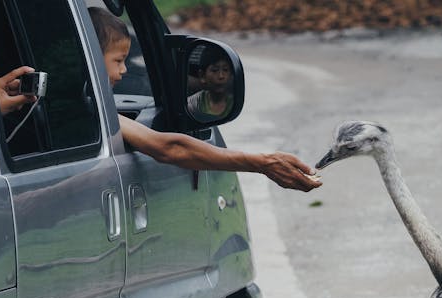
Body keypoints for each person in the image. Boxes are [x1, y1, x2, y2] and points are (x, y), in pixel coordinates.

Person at [88, 7, 320, 192]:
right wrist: (263, 162)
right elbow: (169, 147)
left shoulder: (90, 106)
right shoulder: (91, 110)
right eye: (118, 60)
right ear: (93, 58)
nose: (125, 70)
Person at [187, 45, 234, 121]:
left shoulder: (234, 104)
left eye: (225, 70)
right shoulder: (192, 104)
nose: (221, 76)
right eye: (215, 70)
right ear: (202, 76)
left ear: (231, 75)